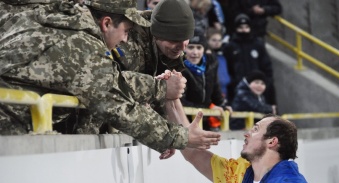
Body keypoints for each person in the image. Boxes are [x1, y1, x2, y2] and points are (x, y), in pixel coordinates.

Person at [0, 0, 221, 153]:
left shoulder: (63, 26)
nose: (125, 40)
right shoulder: (81, 46)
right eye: (125, 31)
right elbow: (116, 105)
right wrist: (180, 137)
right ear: (106, 23)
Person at [181, 114, 315, 183]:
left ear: (271, 142)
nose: (247, 134)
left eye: (255, 129)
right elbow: (193, 154)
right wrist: (171, 102)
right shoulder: (242, 175)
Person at [118, 0, 195, 77]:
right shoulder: (127, 40)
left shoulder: (172, 48)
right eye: (175, 40)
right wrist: (161, 86)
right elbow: (112, 82)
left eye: (186, 38)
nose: (182, 48)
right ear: (156, 34)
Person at [180, 28, 232, 131]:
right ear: (184, 48)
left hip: (204, 119)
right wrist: (209, 107)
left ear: (204, 49)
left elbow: (216, 89)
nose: (195, 52)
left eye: (199, 48)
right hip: (184, 122)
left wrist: (223, 105)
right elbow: (181, 102)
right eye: (191, 47)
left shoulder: (211, 63)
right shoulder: (178, 67)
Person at [223, 13, 276, 106]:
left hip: (258, 90)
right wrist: (233, 83)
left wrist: (265, 85)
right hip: (237, 90)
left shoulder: (258, 45)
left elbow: (267, 67)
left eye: (246, 27)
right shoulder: (230, 47)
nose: (244, 30)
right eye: (241, 27)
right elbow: (227, 69)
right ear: (235, 28)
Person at [206, 27, 230, 99]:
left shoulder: (222, 56)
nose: (217, 43)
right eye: (214, 40)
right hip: (212, 92)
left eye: (219, 40)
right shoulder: (205, 56)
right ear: (207, 40)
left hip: (224, 90)